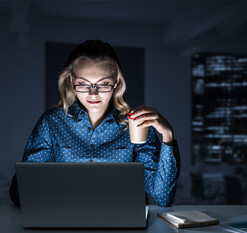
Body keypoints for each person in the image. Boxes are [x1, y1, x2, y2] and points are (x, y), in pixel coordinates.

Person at [9, 40, 180, 207]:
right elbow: (20, 194)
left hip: (122, 222)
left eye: (103, 84)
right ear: (71, 80)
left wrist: (168, 136)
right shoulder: (52, 122)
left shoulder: (136, 124)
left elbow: (163, 197)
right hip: (66, 218)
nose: (93, 94)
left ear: (116, 82)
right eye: (83, 84)